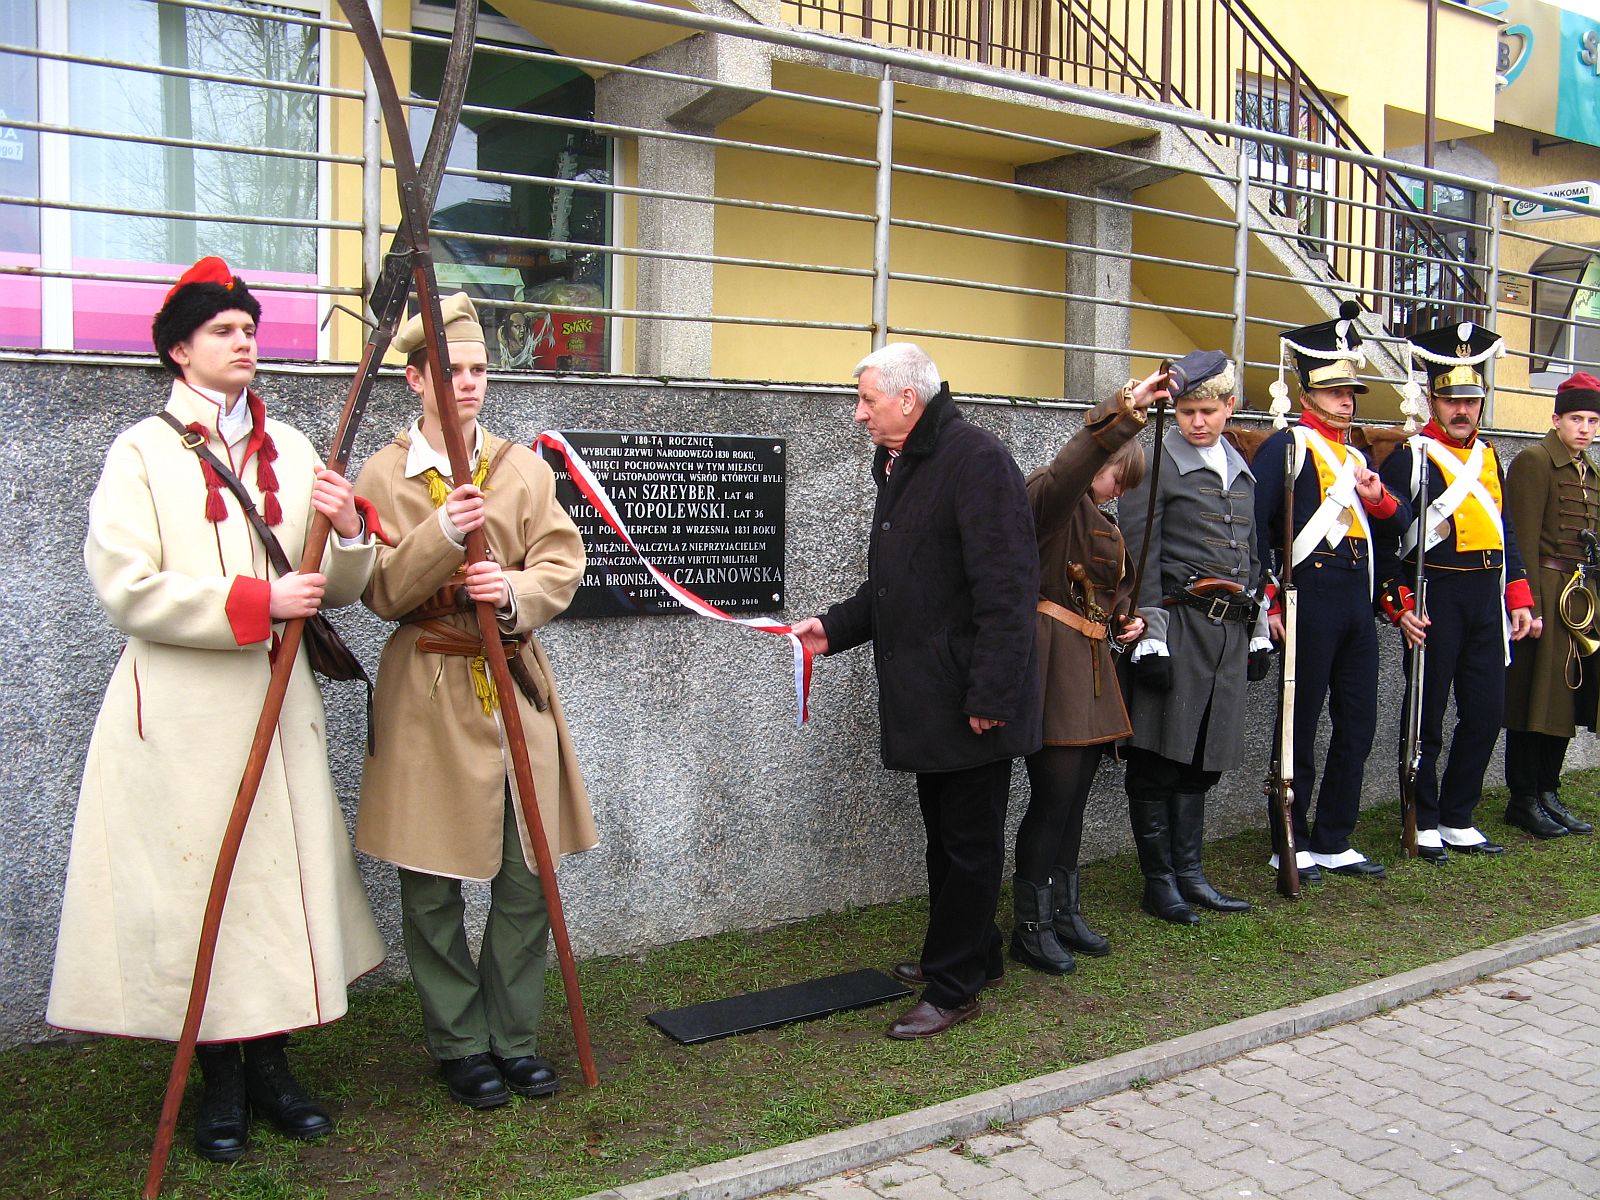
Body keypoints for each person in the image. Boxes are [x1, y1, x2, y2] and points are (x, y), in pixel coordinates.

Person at [47, 255, 384, 1162]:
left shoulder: (298, 448)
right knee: (206, 892)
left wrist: (349, 530)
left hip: (278, 716)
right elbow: (126, 588)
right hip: (186, 721)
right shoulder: (142, 451)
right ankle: (220, 1081)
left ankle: (271, 1066)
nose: (245, 342)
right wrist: (251, 604)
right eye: (225, 331)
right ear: (179, 349)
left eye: (250, 329)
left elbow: (339, 586)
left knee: (273, 895)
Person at [353, 292, 598, 1108]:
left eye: (480, 370)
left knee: (528, 874)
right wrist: (445, 536)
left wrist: (513, 590)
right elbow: (380, 591)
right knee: (431, 879)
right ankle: (459, 1043)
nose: (468, 386)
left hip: (514, 688)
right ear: (416, 379)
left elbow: (563, 564)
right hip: (427, 686)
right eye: (451, 372)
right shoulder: (385, 474)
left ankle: (512, 1035)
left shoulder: (521, 467)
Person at [792, 342, 1041, 1039]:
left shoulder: (976, 460)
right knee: (948, 841)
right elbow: (900, 584)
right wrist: (831, 629)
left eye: (867, 400)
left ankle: (956, 987)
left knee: (968, 843)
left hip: (971, 699)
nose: (857, 414)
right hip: (935, 696)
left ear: (908, 399)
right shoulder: (906, 463)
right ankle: (973, 953)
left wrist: (992, 694)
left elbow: (1008, 588)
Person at [1012, 367, 1168, 973]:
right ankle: (1030, 922)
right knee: (1052, 797)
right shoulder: (1054, 501)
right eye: (1113, 476)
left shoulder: (1102, 521)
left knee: (1074, 796)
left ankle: (1062, 909)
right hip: (1054, 664)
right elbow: (1074, 467)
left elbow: (1106, 592)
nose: (1117, 490)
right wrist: (1124, 411)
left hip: (1092, 662)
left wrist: (1128, 617)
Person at [1252, 303, 1408, 883]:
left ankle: (1335, 835)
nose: (1346, 400)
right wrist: (1269, 598)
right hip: (1306, 596)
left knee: (1358, 721)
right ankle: (1287, 839)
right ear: (1309, 391)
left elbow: (1400, 526)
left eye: (1351, 390)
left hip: (1355, 603)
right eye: (1335, 390)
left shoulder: (1360, 457)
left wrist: (1378, 498)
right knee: (1299, 721)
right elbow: (1256, 529)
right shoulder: (1286, 447)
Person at [1119, 352, 1270, 925]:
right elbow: (1140, 554)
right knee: (1159, 757)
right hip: (1178, 627)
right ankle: (1159, 884)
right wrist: (1150, 637)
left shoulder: (1240, 466)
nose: (1197, 422)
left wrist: (1256, 630)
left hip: (1228, 631)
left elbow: (1252, 556)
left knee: (1204, 758)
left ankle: (1190, 874)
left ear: (1230, 407)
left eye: (1208, 410)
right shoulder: (1156, 462)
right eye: (1185, 411)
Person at [1377, 320, 1534, 862]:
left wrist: (1518, 595)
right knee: (1427, 714)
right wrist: (1399, 607)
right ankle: (1423, 815)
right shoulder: (1411, 457)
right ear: (1432, 400)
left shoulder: (1490, 457)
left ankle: (1459, 813)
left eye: (1470, 399)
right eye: (1451, 400)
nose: (1461, 410)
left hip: (1485, 596)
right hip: (1435, 593)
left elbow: (1503, 530)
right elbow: (1386, 542)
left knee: (1487, 711)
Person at [1501, 372, 1600, 838]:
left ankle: (1548, 790)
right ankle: (1523, 798)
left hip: (1580, 598)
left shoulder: (1590, 470)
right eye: (1576, 418)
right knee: (1533, 699)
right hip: (1544, 592)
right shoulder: (1535, 461)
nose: (1584, 428)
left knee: (1566, 699)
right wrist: (1531, 605)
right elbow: (1518, 534)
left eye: (1592, 420)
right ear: (1555, 418)